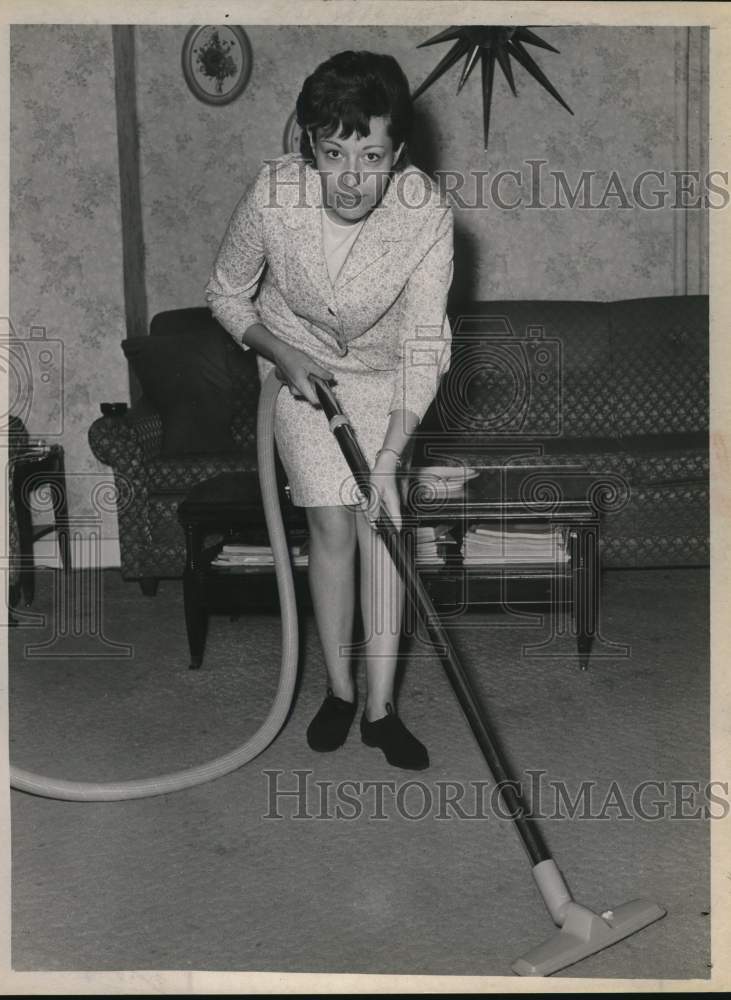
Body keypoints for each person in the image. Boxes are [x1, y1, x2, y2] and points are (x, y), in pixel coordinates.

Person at [205, 50, 453, 770]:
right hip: (298, 369)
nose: (350, 177)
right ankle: (340, 691)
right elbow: (226, 293)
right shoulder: (273, 194)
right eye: (333, 152)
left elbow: (423, 347)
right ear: (308, 144)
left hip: (385, 379)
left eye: (371, 156)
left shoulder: (427, 215)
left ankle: (381, 709)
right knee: (331, 523)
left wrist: (390, 457)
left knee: (383, 529)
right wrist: (280, 353)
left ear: (397, 154)